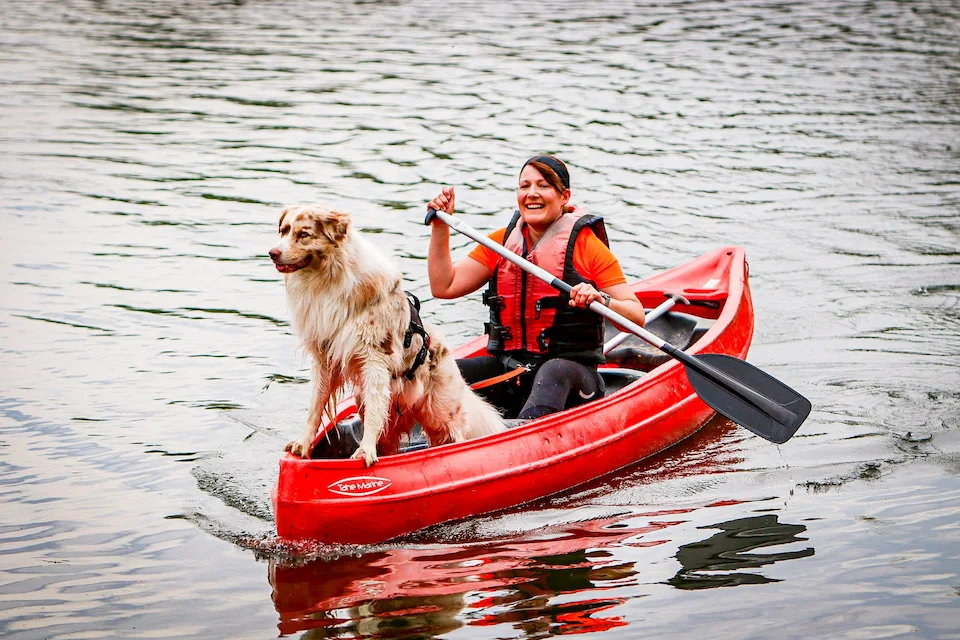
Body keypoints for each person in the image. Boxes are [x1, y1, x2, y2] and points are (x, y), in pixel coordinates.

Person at [426, 155, 646, 421]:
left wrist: (602, 299)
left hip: (572, 380)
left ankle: (524, 434)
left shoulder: (587, 247)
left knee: (553, 372)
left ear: (564, 196)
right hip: (512, 372)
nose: (532, 193)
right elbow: (444, 286)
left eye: (543, 186)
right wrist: (440, 226)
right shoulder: (502, 243)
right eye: (525, 186)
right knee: (436, 372)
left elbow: (636, 317)